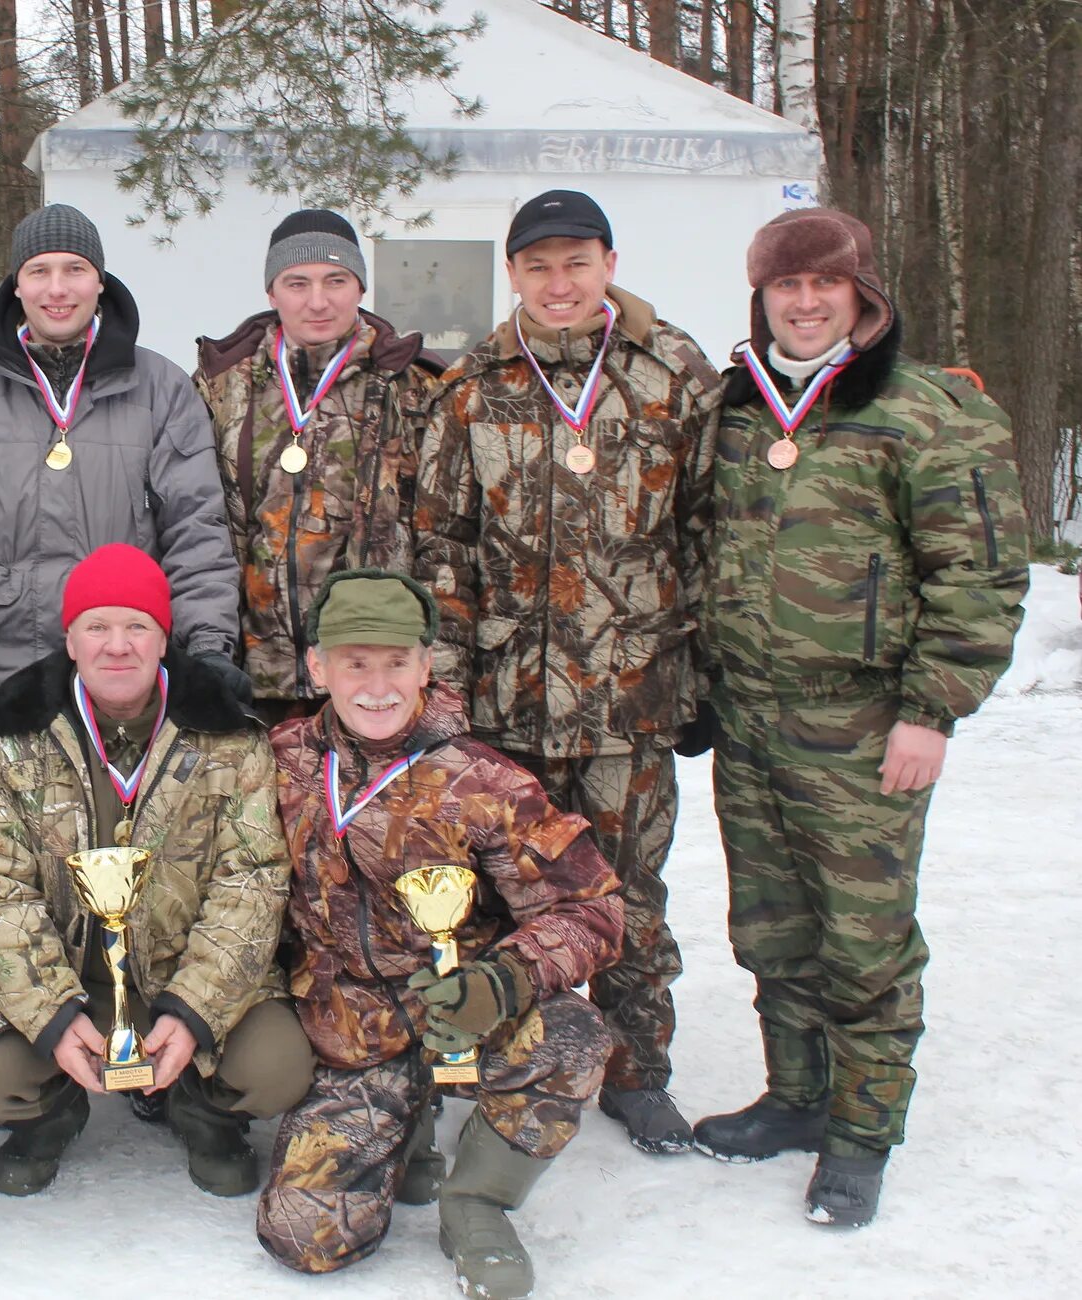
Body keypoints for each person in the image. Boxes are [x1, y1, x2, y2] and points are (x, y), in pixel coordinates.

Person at [696, 207, 1028, 1227]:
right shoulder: (738, 410)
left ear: (862, 294)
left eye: (824, 286)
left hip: (865, 724)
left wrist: (932, 710)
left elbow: (979, 577)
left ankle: (861, 1131)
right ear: (762, 298)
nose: (804, 304)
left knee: (865, 940)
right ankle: (797, 1096)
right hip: (751, 719)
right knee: (771, 927)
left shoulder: (927, 411)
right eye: (786, 287)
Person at [416, 189, 720, 1154]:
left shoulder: (674, 373)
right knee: (500, 892)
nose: (559, 283)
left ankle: (638, 1070)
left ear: (610, 265)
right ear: (512, 274)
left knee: (629, 894)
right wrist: (449, 695)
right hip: (507, 704)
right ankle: (511, 1054)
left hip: (630, 696)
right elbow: (442, 548)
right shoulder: (470, 385)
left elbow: (710, 531)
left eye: (576, 263)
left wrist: (700, 674)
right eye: (539, 266)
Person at [257, 570, 622, 1300]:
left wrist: (503, 980)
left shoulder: (483, 779)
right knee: (307, 1239)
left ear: (427, 666)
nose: (378, 685)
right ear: (318, 668)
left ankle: (478, 1201)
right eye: (355, 663)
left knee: (572, 1034)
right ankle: (403, 1120)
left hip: (464, 1005)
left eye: (397, 662)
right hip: (351, 1026)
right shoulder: (279, 761)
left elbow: (595, 909)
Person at [0, 544, 310, 1198]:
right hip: (72, 979)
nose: (117, 646)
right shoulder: (11, 736)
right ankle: (51, 1115)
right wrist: (52, 1014)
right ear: (69, 639)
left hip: (182, 970)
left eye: (136, 626)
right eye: (97, 627)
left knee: (279, 1067)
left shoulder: (228, 736)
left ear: (163, 637)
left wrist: (197, 1009)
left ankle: (200, 1109)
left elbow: (253, 879)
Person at [0, 203, 244, 817]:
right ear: (16, 285)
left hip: (118, 677)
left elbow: (196, 531)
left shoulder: (160, 388)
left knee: (114, 868)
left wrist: (209, 649)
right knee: (2, 868)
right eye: (39, 271)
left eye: (75, 269)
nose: (57, 289)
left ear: (100, 281)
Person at [194, 209, 445, 724]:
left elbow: (440, 537)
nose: (317, 300)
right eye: (297, 282)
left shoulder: (412, 387)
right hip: (254, 673)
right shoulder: (222, 388)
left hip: (372, 675)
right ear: (271, 293)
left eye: (336, 281)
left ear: (359, 287)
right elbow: (199, 523)